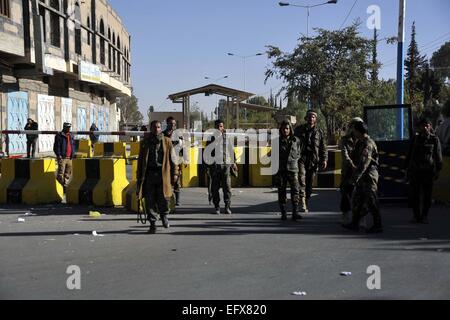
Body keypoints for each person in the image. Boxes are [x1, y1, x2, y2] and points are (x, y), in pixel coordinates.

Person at [136, 120, 179, 234]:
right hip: (149, 175)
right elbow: (140, 162)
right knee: (149, 200)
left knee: (164, 198)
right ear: (151, 128)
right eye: (154, 127)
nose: (157, 129)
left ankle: (164, 216)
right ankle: (152, 224)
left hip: (162, 174)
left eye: (159, 127)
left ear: (161, 128)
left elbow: (174, 159)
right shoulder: (145, 143)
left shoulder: (167, 142)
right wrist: (139, 177)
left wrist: (175, 173)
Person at [343, 121, 382, 233]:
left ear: (359, 131)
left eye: (354, 130)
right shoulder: (360, 142)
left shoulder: (368, 144)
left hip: (369, 176)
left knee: (372, 200)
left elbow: (364, 164)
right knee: (357, 199)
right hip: (362, 176)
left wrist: (353, 180)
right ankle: (355, 223)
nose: (353, 132)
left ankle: (378, 224)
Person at [405, 118, 443, 224]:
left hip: (428, 172)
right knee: (414, 195)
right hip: (415, 172)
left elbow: (438, 156)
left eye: (427, 125)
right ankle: (416, 216)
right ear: (420, 127)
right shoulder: (416, 139)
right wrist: (406, 168)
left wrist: (438, 169)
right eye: (423, 126)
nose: (425, 128)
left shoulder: (434, 140)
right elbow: (410, 154)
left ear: (430, 126)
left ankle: (424, 215)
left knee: (427, 196)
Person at [294, 110, 328, 212]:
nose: (311, 118)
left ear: (315, 119)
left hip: (313, 160)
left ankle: (306, 200)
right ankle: (302, 203)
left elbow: (323, 147)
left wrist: (324, 159)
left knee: (309, 183)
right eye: (309, 116)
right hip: (301, 158)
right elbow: (293, 142)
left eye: (313, 117)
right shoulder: (299, 130)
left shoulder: (319, 132)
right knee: (301, 180)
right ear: (306, 118)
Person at [206, 119, 237, 215]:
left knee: (227, 187)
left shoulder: (226, 138)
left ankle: (227, 206)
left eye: (222, 126)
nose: (220, 128)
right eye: (218, 126)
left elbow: (231, 151)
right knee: (215, 188)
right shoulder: (210, 139)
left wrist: (234, 163)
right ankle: (217, 207)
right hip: (215, 167)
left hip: (225, 166)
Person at [276, 121, 302, 221]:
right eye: (283, 129)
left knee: (295, 191)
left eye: (287, 128)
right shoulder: (276, 142)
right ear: (281, 130)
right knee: (281, 192)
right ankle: (283, 213)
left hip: (293, 169)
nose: (285, 130)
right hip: (281, 170)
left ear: (290, 129)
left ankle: (295, 212)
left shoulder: (296, 141)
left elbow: (299, 153)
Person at [339, 117, 364, 224]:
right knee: (345, 193)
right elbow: (345, 155)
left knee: (360, 195)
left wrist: (359, 167)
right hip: (348, 171)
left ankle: (361, 218)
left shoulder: (363, 140)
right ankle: (345, 215)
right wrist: (352, 165)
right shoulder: (345, 140)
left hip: (360, 171)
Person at [163, 117, 183, 207]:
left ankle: (177, 200)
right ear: (167, 124)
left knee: (177, 181)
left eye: (174, 124)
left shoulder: (178, 136)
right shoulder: (163, 135)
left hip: (176, 160)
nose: (173, 125)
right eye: (171, 123)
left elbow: (182, 149)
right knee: (166, 181)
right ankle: (167, 200)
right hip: (165, 161)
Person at [53, 123, 76, 190]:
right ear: (64, 127)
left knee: (67, 173)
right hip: (62, 157)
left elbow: (73, 145)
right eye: (67, 127)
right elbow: (56, 146)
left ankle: (65, 186)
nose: (69, 128)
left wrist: (73, 153)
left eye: (69, 127)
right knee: (60, 173)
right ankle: (59, 187)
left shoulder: (71, 135)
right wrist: (58, 155)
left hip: (70, 158)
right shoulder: (59, 135)